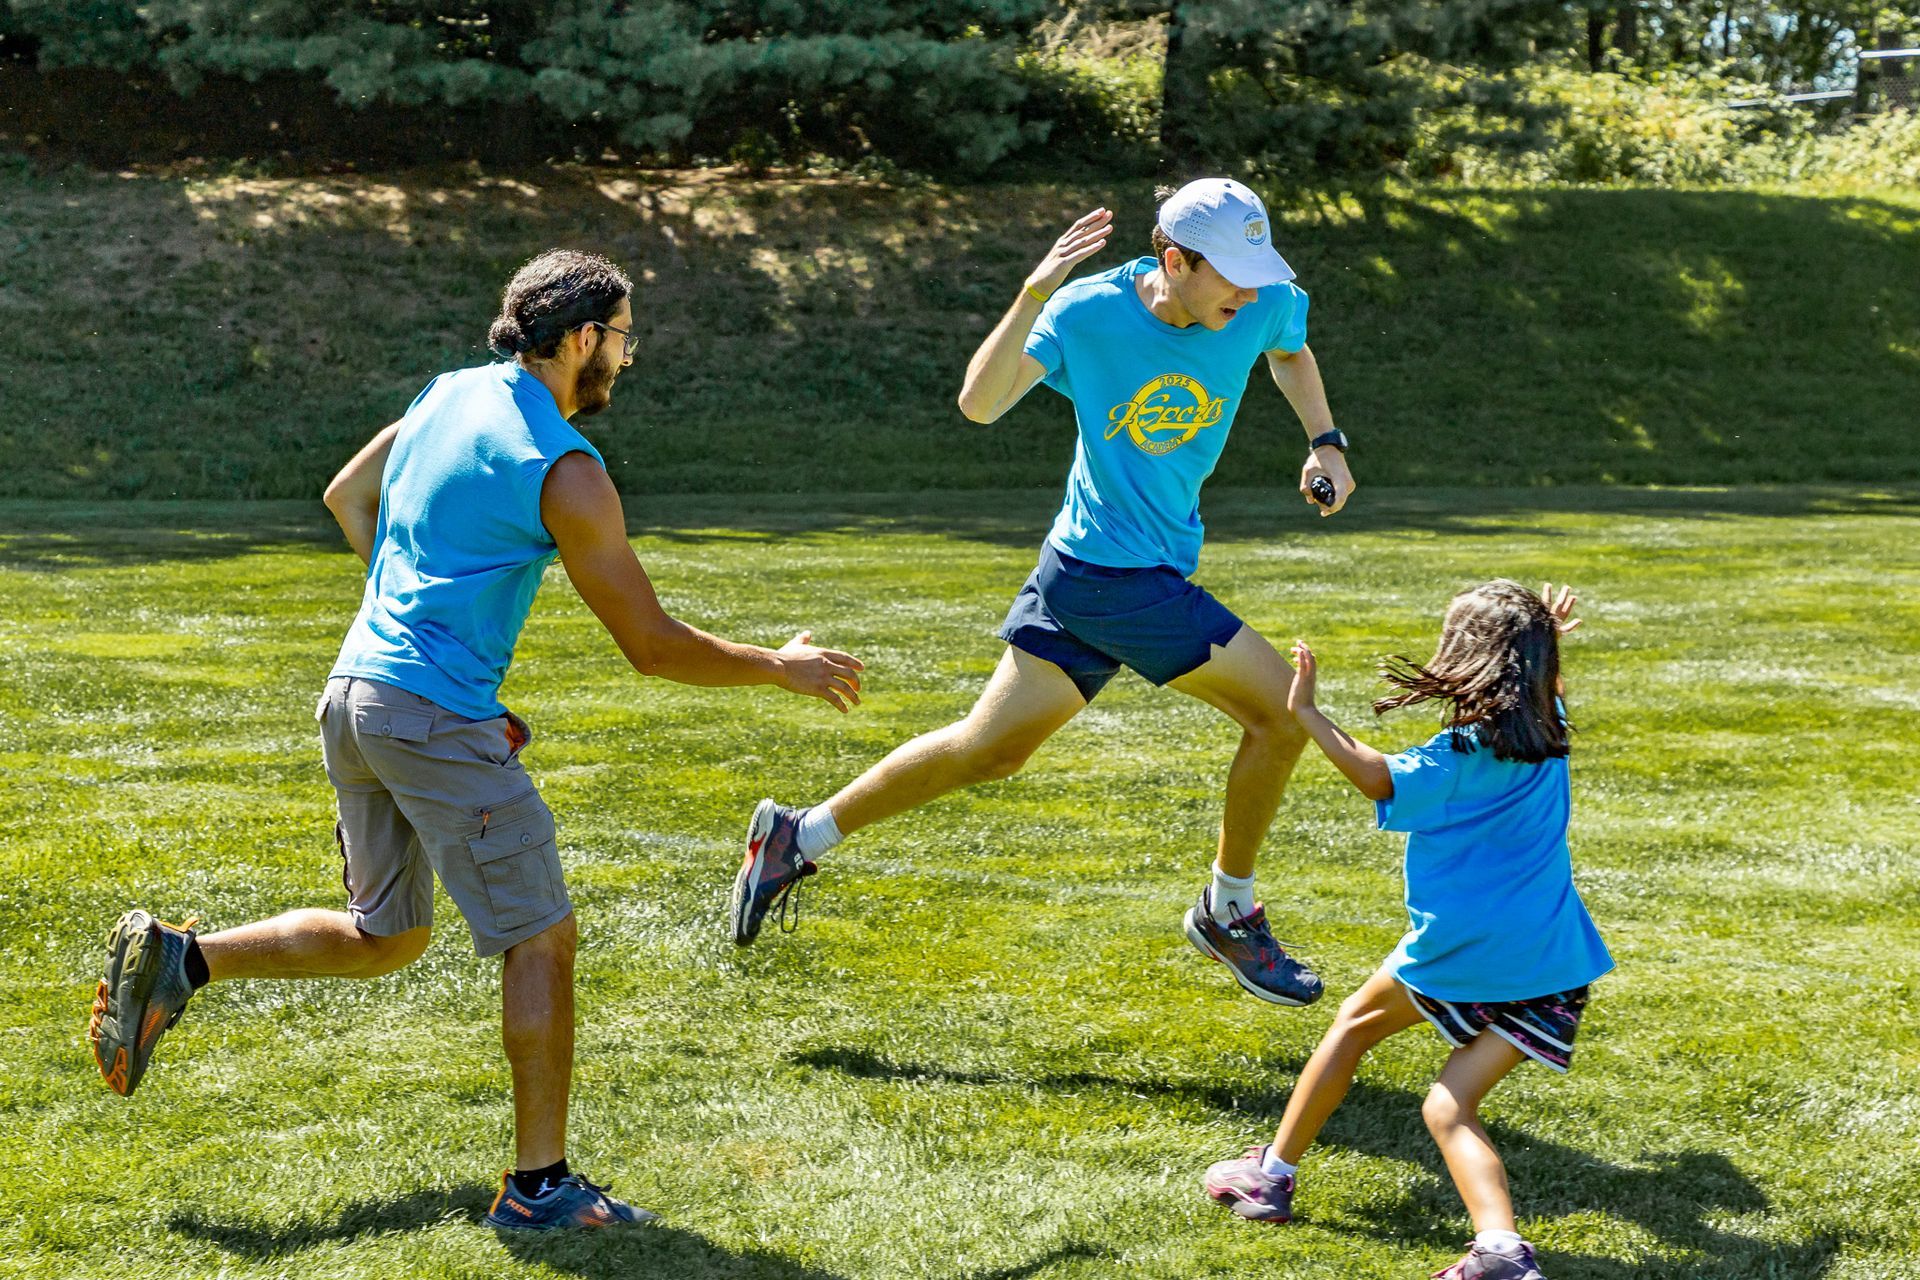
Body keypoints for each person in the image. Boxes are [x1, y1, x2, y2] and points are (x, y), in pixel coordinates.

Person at [86, 249, 863, 1231]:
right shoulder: (568, 470)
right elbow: (653, 646)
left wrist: (407, 629)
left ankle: (181, 958)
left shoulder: (447, 394)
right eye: (622, 337)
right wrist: (778, 664)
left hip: (355, 692)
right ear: (583, 338)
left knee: (388, 934)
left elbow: (345, 496)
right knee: (540, 932)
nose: (626, 354)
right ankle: (540, 1187)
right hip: (425, 712)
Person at [730, 179, 1356, 1007]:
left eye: (1255, 270)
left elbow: (1291, 347)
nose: (1248, 290)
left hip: (1092, 568)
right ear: (1174, 258)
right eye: (1231, 275)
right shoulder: (1088, 314)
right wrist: (1035, 291)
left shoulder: (1259, 302)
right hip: (1114, 579)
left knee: (989, 749)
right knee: (1282, 713)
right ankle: (1227, 910)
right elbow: (980, 405)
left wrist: (1324, 441)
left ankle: (795, 835)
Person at [1202, 581, 1613, 1280]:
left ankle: (1269, 1176)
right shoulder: (1553, 729)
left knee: (1352, 1027)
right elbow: (1540, 685)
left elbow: (1376, 777)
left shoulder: (1453, 757)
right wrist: (1545, 648)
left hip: (1461, 951)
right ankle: (1501, 1254)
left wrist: (1307, 713)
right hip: (1555, 961)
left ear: (1464, 657)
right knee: (1449, 1108)